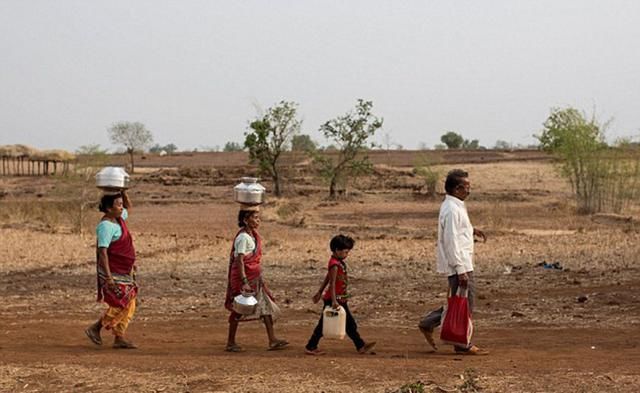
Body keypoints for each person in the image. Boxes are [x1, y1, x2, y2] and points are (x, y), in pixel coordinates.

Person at [418, 169, 489, 355]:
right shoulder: (451, 209)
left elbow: (457, 231)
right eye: (466, 187)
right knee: (465, 303)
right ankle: (462, 343)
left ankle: (429, 323)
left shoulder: (455, 205)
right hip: (460, 263)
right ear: (457, 189)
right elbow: (451, 240)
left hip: (462, 262)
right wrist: (460, 269)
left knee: (458, 302)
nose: (469, 191)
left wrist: (472, 230)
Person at [224, 206, 288, 352]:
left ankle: (272, 340)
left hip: (255, 278)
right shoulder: (243, 238)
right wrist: (245, 282)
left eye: (258, 218)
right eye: (255, 218)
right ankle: (230, 342)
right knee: (239, 309)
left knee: (265, 306)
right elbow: (240, 261)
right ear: (246, 220)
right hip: (244, 280)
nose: (258, 220)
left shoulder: (252, 235)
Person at [304, 234, 376, 356]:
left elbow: (328, 278)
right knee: (326, 324)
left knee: (349, 324)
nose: (347, 254)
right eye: (345, 252)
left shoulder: (338, 262)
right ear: (337, 250)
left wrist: (320, 292)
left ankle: (360, 345)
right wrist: (333, 301)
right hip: (335, 299)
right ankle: (311, 346)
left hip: (339, 298)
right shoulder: (335, 264)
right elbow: (332, 284)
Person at [85, 191, 138, 349]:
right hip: (112, 271)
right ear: (109, 208)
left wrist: (122, 191)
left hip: (123, 271)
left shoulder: (118, 219)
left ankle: (119, 336)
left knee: (130, 303)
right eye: (118, 205)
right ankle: (96, 327)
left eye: (121, 204)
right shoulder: (106, 226)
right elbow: (103, 252)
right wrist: (108, 277)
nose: (122, 208)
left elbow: (128, 207)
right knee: (121, 302)